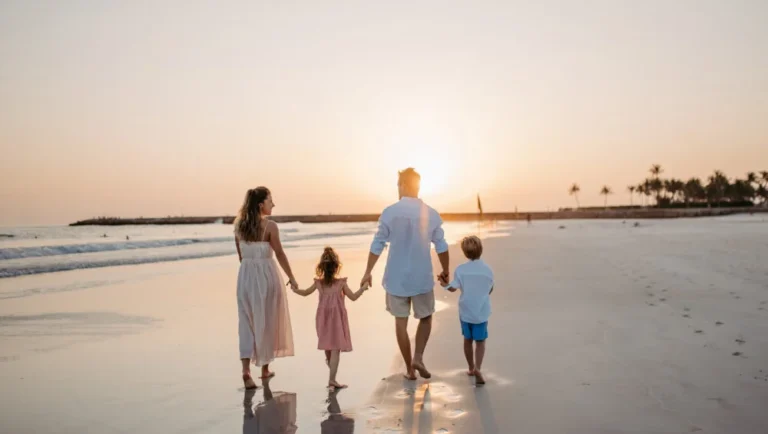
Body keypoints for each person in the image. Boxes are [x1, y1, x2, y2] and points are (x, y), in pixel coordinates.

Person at [361, 168, 450, 380]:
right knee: (426, 318)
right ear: (417, 186)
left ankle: (410, 370)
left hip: (396, 278)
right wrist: (446, 270)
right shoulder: (431, 213)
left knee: (400, 322)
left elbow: (377, 244)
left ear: (402, 185)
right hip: (421, 277)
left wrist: (367, 272)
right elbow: (441, 245)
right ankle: (418, 357)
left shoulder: (390, 212)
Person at [235, 187, 298, 389]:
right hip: (266, 276)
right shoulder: (270, 226)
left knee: (246, 321)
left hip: (245, 278)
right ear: (261, 204)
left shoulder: (238, 226)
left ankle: (246, 371)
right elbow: (279, 253)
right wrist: (292, 277)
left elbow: (241, 257)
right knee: (268, 319)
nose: (274, 204)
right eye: (271, 200)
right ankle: (264, 369)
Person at [293, 247, 368, 389]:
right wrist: (363, 288)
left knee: (330, 348)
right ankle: (332, 377)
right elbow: (354, 297)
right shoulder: (340, 284)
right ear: (336, 267)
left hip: (322, 319)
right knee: (334, 349)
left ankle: (332, 378)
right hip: (337, 320)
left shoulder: (319, 284)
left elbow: (304, 293)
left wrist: (294, 289)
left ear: (322, 268)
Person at [441, 236, 494, 386]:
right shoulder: (487, 270)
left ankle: (470, 367)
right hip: (481, 311)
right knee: (481, 341)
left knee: (467, 340)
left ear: (464, 252)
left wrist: (443, 283)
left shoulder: (461, 270)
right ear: (481, 250)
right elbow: (490, 288)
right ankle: (478, 368)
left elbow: (452, 288)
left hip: (466, 311)